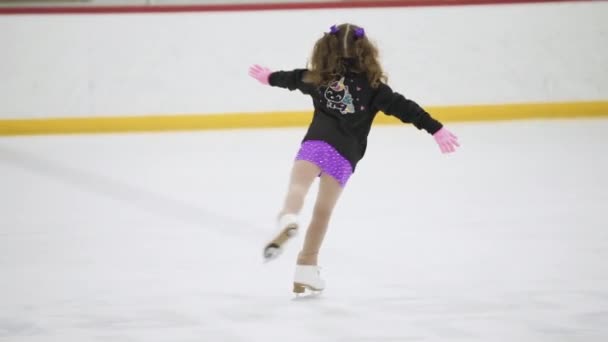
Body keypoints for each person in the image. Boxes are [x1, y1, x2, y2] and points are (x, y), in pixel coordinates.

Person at [248, 23, 459, 294]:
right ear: (366, 52)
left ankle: (288, 219)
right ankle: (306, 268)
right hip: (344, 154)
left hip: (315, 143)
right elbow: (406, 108)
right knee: (322, 213)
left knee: (298, 188)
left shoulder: (316, 78)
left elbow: (291, 79)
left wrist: (268, 77)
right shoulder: (374, 88)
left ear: (326, 48)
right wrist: (436, 128)